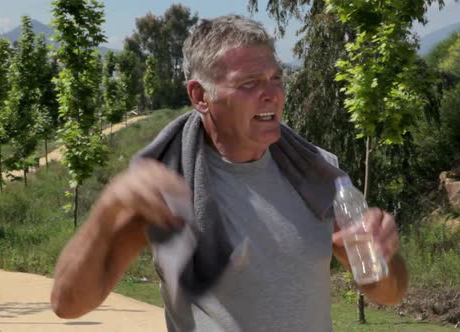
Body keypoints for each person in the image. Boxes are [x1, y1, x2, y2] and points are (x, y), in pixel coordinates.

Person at [51, 15, 408, 332]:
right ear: (200, 96)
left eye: (276, 77)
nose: (271, 94)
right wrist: (106, 211)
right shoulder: (164, 187)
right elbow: (68, 304)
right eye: (249, 84)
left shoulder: (318, 173)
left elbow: (388, 293)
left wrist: (383, 258)